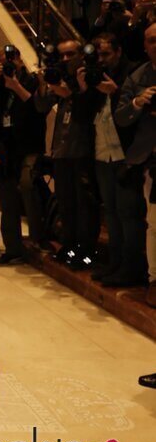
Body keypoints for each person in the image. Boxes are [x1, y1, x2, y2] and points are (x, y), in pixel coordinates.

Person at [83, 34, 148, 286]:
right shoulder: (96, 75)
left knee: (128, 214)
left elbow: (131, 113)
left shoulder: (132, 74)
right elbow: (85, 113)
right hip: (102, 153)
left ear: (119, 51)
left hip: (125, 154)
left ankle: (131, 268)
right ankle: (115, 262)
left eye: (106, 54)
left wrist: (115, 91)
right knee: (110, 212)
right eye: (98, 55)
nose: (102, 60)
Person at [35, 40, 100, 268]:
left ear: (80, 54)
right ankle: (69, 246)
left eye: (70, 54)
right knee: (66, 203)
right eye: (61, 55)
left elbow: (88, 110)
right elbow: (41, 105)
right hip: (61, 152)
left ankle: (86, 250)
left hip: (82, 151)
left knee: (84, 205)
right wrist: (46, 84)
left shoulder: (88, 76)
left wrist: (72, 92)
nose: (65, 59)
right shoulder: (58, 77)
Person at [0, 47, 46, 264]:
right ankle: (13, 248)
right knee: (7, 199)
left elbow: (37, 109)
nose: (7, 64)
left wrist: (15, 85)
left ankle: (38, 239)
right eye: (2, 61)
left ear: (19, 59)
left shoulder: (31, 80)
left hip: (28, 146)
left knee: (28, 187)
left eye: (10, 60)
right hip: (4, 149)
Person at [113, 21, 156, 288]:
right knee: (154, 222)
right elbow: (121, 116)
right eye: (152, 40)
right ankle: (154, 280)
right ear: (145, 45)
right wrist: (138, 102)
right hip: (150, 159)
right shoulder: (137, 77)